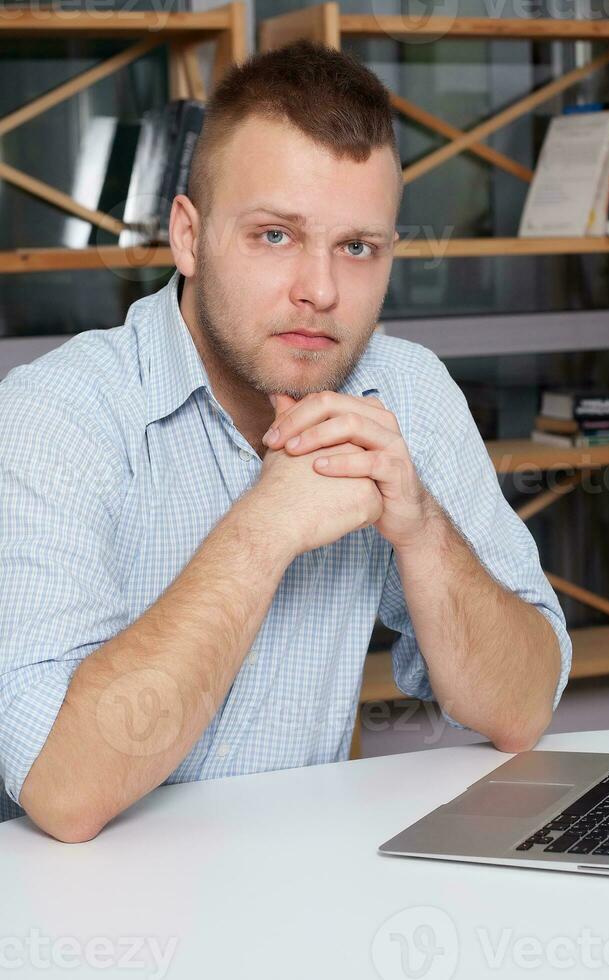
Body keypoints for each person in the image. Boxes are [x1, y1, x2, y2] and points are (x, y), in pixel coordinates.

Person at [0, 41, 571, 843]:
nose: (322, 290)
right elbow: (62, 788)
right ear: (188, 237)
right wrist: (266, 527)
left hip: (309, 895)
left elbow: (523, 708)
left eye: (357, 247)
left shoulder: (406, 392)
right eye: (275, 236)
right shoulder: (54, 415)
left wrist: (422, 529)